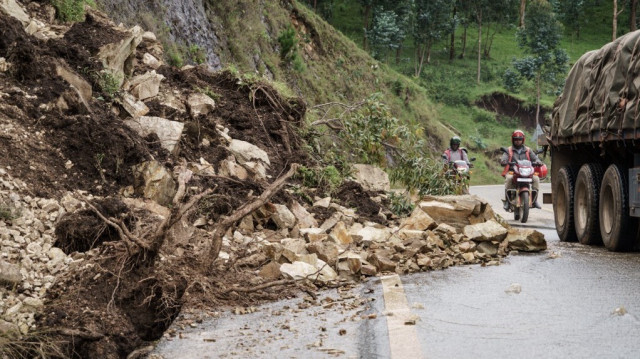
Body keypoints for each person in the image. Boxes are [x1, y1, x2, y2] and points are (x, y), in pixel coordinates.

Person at [500, 130, 543, 210]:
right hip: (513, 172)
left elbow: (535, 158)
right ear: (513, 140)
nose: (518, 141)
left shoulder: (528, 150)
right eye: (516, 139)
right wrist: (504, 161)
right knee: (509, 179)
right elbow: (504, 158)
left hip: (526, 172)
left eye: (519, 139)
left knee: (536, 179)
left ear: (523, 140)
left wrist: (538, 162)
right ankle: (507, 201)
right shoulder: (508, 150)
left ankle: (535, 200)